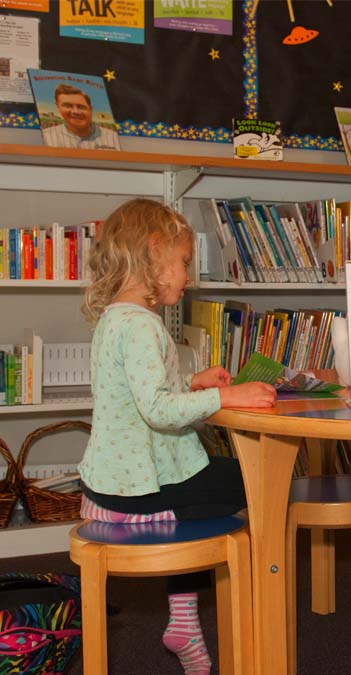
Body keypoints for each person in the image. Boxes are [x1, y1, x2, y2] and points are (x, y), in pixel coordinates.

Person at [77, 198, 276, 675]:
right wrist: (228, 399)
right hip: (140, 493)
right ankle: (252, 619)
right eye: (185, 263)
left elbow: (136, 394)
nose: (189, 277)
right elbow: (160, 411)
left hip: (109, 486)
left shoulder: (114, 320)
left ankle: (184, 620)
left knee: (205, 491)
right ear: (154, 251)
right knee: (257, 480)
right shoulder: (143, 326)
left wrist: (193, 382)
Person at [41, 83, 121, 150]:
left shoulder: (112, 137)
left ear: (91, 109)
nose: (75, 112)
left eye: (81, 107)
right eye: (68, 106)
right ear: (58, 107)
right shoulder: (46, 136)